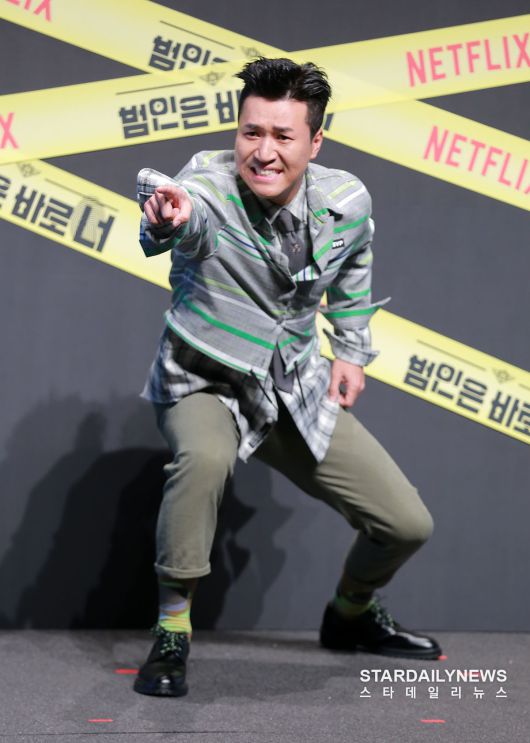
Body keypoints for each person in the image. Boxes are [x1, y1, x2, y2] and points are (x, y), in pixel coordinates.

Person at [133, 57, 441, 698]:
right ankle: (172, 630)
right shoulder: (206, 183)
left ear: (315, 141)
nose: (263, 151)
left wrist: (350, 352)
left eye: (282, 135)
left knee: (406, 523)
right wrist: (168, 219)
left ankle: (350, 614)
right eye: (251, 132)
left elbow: (354, 268)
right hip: (205, 379)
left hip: (291, 383)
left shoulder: (346, 201)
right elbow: (187, 222)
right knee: (205, 459)